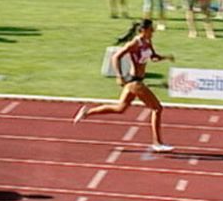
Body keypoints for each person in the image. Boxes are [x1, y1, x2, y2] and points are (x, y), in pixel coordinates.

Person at [73, 19, 176, 153]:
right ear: (143, 30)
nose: (153, 31)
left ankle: (86, 113)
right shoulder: (134, 43)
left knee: (120, 108)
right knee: (157, 108)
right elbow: (116, 57)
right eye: (151, 29)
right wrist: (119, 76)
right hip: (134, 81)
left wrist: (166, 57)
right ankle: (157, 143)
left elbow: (153, 57)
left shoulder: (147, 42)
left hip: (139, 80)